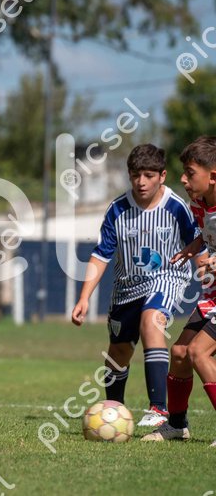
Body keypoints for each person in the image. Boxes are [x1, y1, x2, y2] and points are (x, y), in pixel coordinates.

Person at [71, 144, 199, 428]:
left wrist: (208, 278)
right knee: (119, 353)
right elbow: (101, 255)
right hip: (126, 288)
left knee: (151, 322)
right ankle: (114, 411)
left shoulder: (177, 207)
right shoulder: (117, 209)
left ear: (162, 176)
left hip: (168, 278)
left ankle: (159, 410)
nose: (141, 182)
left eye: (149, 175)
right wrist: (84, 298)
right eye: (135, 175)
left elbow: (198, 245)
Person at [144, 136, 216, 443]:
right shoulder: (199, 204)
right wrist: (193, 247)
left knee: (199, 352)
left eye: (190, 173)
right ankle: (176, 425)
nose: (183, 179)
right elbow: (207, 233)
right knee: (180, 353)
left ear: (213, 176)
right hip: (213, 296)